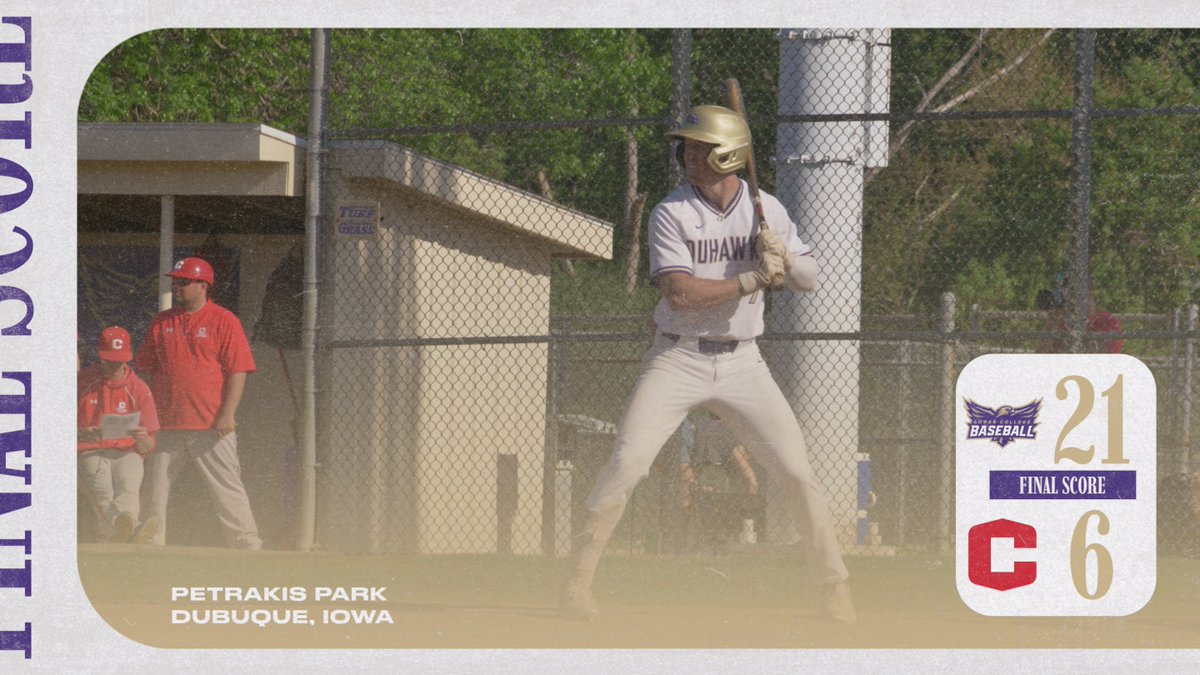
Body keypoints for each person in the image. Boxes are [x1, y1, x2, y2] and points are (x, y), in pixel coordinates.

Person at [559, 104, 856, 624]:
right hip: (678, 356)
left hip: (744, 362)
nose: (686, 155)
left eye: (698, 147)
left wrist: (781, 254)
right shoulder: (672, 212)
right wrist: (752, 279)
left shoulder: (767, 207)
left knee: (796, 473)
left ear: (729, 154)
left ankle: (834, 589)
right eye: (686, 147)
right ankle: (577, 582)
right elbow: (679, 295)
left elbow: (810, 278)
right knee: (628, 462)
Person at [135, 256, 263, 550]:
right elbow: (146, 369)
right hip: (167, 422)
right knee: (155, 488)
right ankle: (151, 541)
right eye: (175, 281)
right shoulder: (162, 320)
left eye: (183, 282)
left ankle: (246, 540)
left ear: (203, 286)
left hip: (211, 424)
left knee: (227, 486)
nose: (176, 286)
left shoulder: (224, 320)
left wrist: (227, 414)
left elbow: (238, 370)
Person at [77, 326, 160, 543]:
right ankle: (132, 530)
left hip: (127, 450)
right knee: (103, 494)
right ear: (100, 356)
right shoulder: (81, 382)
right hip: (91, 451)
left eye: (120, 360)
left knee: (129, 488)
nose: (116, 365)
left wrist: (142, 438)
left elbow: (149, 446)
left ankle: (119, 533)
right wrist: (83, 434)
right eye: (110, 360)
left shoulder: (139, 388)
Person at [1039, 273, 1123, 354]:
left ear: (1089, 292)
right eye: (1064, 291)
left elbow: (1102, 356)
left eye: (1072, 291)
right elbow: (1040, 358)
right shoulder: (1064, 323)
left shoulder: (1106, 320)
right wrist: (1053, 321)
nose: (1069, 297)